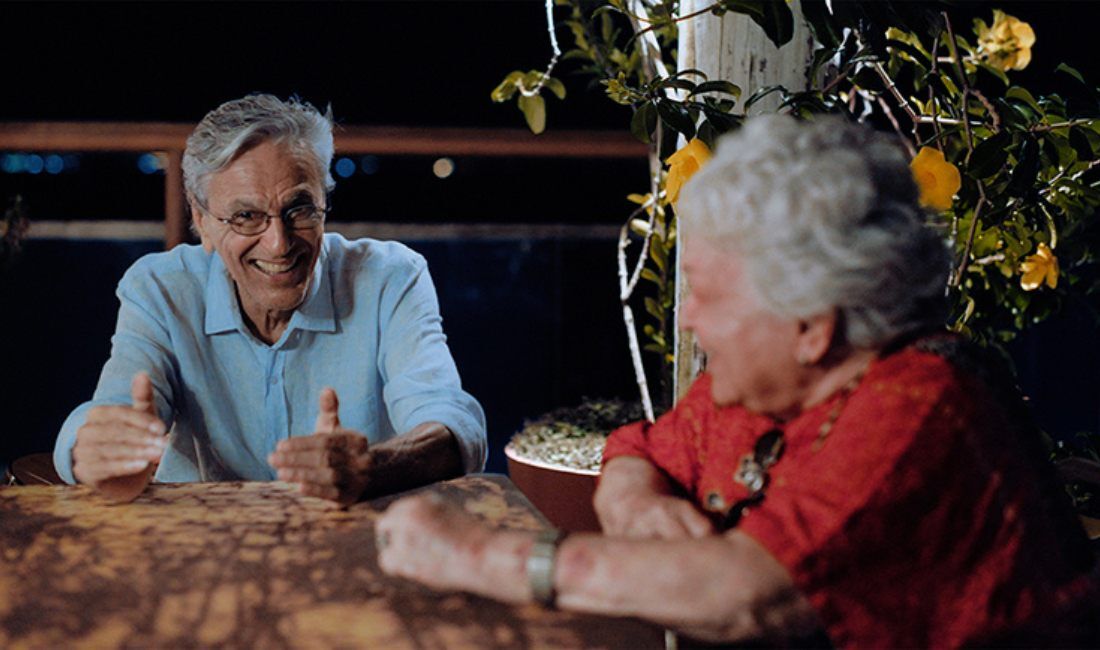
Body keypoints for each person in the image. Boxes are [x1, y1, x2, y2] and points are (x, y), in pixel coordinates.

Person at [375, 116, 1098, 646]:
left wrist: (479, 555)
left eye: (710, 294)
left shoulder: (921, 405)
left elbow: (746, 593)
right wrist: (641, 505)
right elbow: (642, 446)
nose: (687, 319)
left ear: (811, 323)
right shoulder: (773, 388)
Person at [54, 94, 486, 504]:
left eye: (299, 209)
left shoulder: (393, 278)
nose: (279, 245)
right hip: (203, 551)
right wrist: (95, 452)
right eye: (246, 217)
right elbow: (112, 416)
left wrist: (372, 468)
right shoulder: (160, 289)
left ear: (324, 204)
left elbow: (454, 426)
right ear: (201, 220)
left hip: (354, 544)